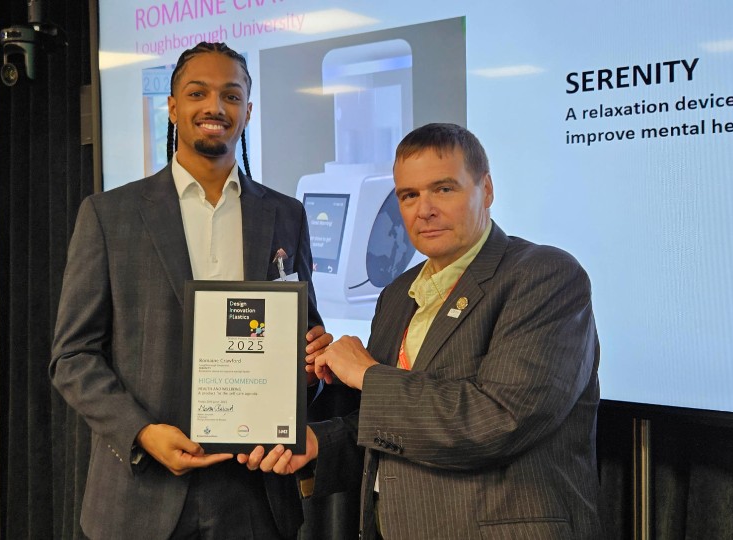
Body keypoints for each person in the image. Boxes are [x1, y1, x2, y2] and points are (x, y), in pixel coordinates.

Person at [243, 123, 602, 539]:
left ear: (486, 189)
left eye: (443, 189)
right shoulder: (397, 294)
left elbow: (499, 420)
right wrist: (319, 440)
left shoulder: (544, 276)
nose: (423, 209)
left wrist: (366, 373)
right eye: (409, 195)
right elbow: (387, 427)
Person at [50, 42, 334, 540]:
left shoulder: (285, 214)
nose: (215, 107)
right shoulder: (108, 215)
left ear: (248, 109)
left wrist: (309, 365)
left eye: (231, 94)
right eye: (197, 92)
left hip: (255, 496)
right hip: (142, 493)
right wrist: (141, 434)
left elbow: (300, 342)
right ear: (173, 106)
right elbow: (72, 357)